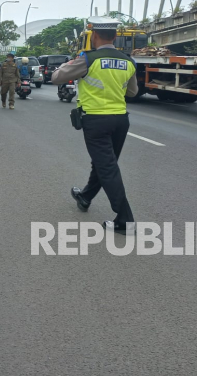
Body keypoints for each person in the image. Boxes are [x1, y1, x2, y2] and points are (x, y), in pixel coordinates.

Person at [51, 17, 139, 234]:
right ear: (116, 36)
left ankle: (125, 220)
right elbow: (132, 92)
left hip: (96, 120)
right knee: (104, 163)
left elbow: (56, 77)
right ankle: (85, 196)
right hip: (120, 119)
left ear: (94, 35)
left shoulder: (88, 59)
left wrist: (71, 62)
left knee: (107, 167)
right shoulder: (128, 61)